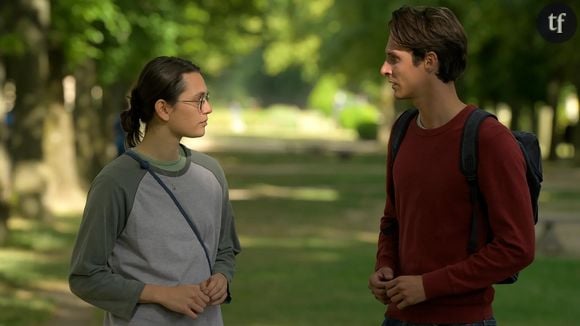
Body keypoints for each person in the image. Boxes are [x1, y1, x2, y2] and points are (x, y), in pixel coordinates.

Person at [368, 6, 535, 325]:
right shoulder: (402, 131)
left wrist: (428, 286)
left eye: (394, 58)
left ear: (429, 61)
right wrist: (385, 264)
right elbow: (393, 220)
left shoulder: (489, 139)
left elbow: (517, 247)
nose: (384, 69)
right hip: (398, 318)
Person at [69, 56, 241, 325]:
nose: (208, 108)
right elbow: (85, 277)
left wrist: (222, 277)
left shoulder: (211, 174)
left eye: (206, 98)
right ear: (163, 108)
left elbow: (226, 249)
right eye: (198, 100)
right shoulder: (116, 181)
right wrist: (161, 294)